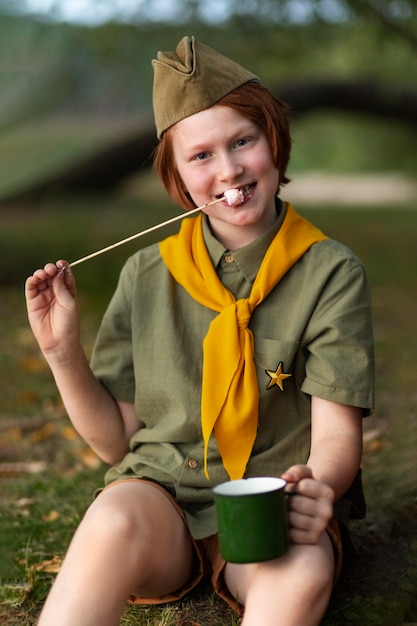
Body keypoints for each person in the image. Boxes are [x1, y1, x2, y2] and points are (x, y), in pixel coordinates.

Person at [25, 36, 374, 626]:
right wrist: (61, 351)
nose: (230, 169)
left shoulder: (330, 272)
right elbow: (118, 441)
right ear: (178, 179)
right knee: (110, 519)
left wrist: (319, 485)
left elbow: (336, 437)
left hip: (270, 506)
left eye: (244, 141)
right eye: (202, 155)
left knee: (302, 570)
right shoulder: (146, 274)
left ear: (275, 143)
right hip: (162, 499)